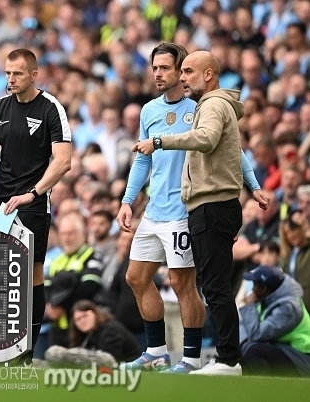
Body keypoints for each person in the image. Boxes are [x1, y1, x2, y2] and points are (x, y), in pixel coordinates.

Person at [118, 43, 265, 374]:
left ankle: (191, 358)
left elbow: (233, 150)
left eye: (167, 68)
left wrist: (253, 185)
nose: (159, 73)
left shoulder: (199, 107)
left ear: (183, 70)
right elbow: (143, 158)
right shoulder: (149, 111)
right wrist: (128, 201)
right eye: (155, 67)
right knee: (136, 277)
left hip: (185, 209)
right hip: (154, 209)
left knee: (182, 283)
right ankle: (156, 351)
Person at [0, 48, 72, 364]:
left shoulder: (51, 109)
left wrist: (33, 193)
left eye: (17, 73)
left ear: (34, 75)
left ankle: (25, 352)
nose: (11, 79)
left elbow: (63, 161)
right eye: (7, 73)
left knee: (30, 276)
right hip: (1, 202)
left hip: (32, 203)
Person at [44, 213, 104, 347]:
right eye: (63, 234)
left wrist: (61, 306)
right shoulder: (58, 260)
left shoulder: (92, 255)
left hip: (82, 328)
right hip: (57, 327)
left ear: (82, 234)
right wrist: (50, 306)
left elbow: (89, 286)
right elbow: (47, 286)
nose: (66, 238)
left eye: (70, 233)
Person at [239, 265, 310, 377]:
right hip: (287, 351)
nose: (252, 289)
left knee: (253, 350)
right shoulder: (265, 300)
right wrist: (244, 342)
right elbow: (244, 326)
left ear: (264, 289)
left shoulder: (288, 308)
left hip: (302, 361)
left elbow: (256, 333)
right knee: (242, 350)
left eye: (255, 285)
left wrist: (249, 307)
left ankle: (266, 390)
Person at [45, 300, 141, 368]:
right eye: (78, 319)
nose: (82, 321)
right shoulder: (86, 335)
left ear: (95, 313)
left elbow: (110, 360)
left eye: (86, 315)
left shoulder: (111, 329)